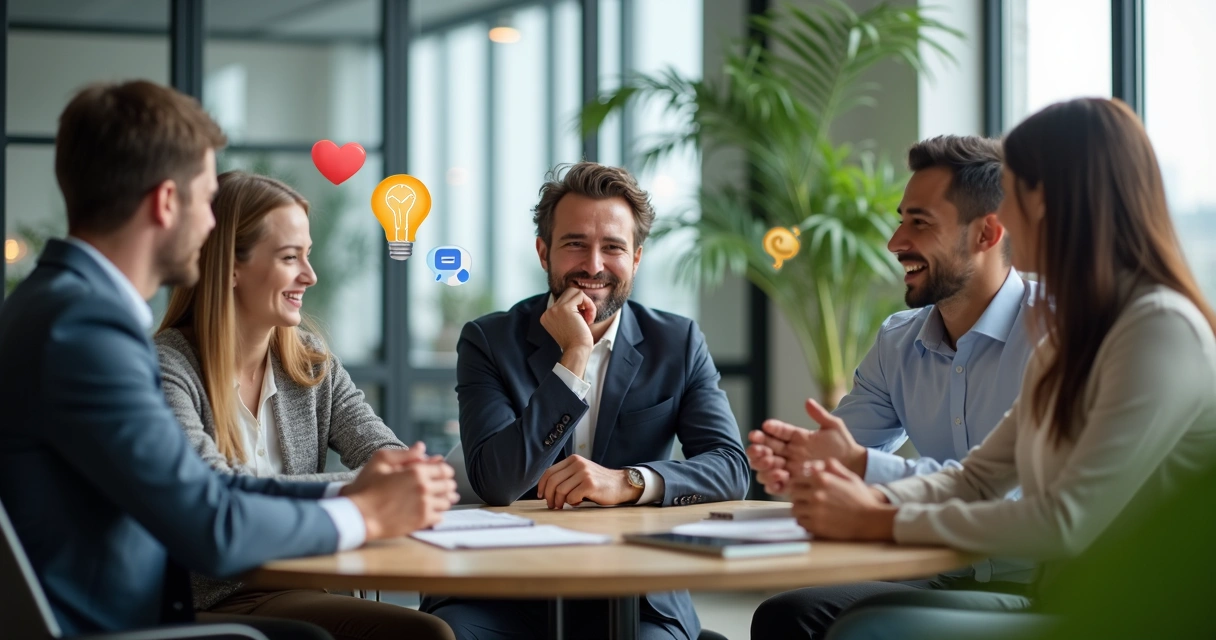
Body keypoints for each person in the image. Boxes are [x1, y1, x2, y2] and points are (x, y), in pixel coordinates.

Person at [0, 80, 458, 639]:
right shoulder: (86, 331)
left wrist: (351, 491)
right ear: (167, 202)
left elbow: (200, 490)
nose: (210, 225)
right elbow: (209, 523)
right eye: (204, 199)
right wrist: (364, 512)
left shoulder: (61, 308)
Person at [792, 97, 1216, 638]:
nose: (1003, 219)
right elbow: (978, 479)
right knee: (804, 616)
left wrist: (879, 518)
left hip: (1131, 619)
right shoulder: (1072, 334)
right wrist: (868, 490)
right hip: (1059, 599)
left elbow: (1064, 521)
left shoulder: (1160, 328)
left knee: (870, 630)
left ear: (1059, 202)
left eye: (1013, 195)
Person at [421, 162, 750, 640]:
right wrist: (574, 355)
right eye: (575, 243)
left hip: (636, 593)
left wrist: (629, 482)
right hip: (501, 588)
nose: (594, 265)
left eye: (612, 247)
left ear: (636, 258)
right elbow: (497, 481)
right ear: (544, 252)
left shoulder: (677, 342)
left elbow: (731, 468)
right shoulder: (488, 341)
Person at [748, 136, 1038, 639]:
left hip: (1051, 585)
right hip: (944, 575)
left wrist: (859, 466)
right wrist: (807, 466)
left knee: (867, 627)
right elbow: (845, 453)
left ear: (987, 233)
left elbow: (1016, 498)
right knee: (787, 617)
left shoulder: (1055, 333)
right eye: (901, 220)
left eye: (919, 223)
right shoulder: (898, 341)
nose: (895, 242)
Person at [155, 171, 454, 640]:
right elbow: (217, 491)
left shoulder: (310, 362)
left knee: (429, 630)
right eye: (290, 257)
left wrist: (403, 478)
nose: (310, 276)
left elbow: (386, 453)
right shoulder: (167, 367)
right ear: (230, 267)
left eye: (307, 255)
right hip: (205, 599)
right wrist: (364, 491)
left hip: (301, 584)